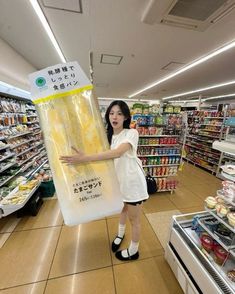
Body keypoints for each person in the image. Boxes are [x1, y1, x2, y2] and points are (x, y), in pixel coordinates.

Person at [60, 100, 149, 261]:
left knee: (134, 219)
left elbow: (118, 153)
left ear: (126, 117)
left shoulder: (131, 133)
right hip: (118, 183)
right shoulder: (108, 137)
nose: (115, 116)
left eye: (119, 113)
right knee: (122, 210)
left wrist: (85, 158)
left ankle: (134, 250)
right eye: (111, 113)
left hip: (132, 184)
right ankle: (120, 235)